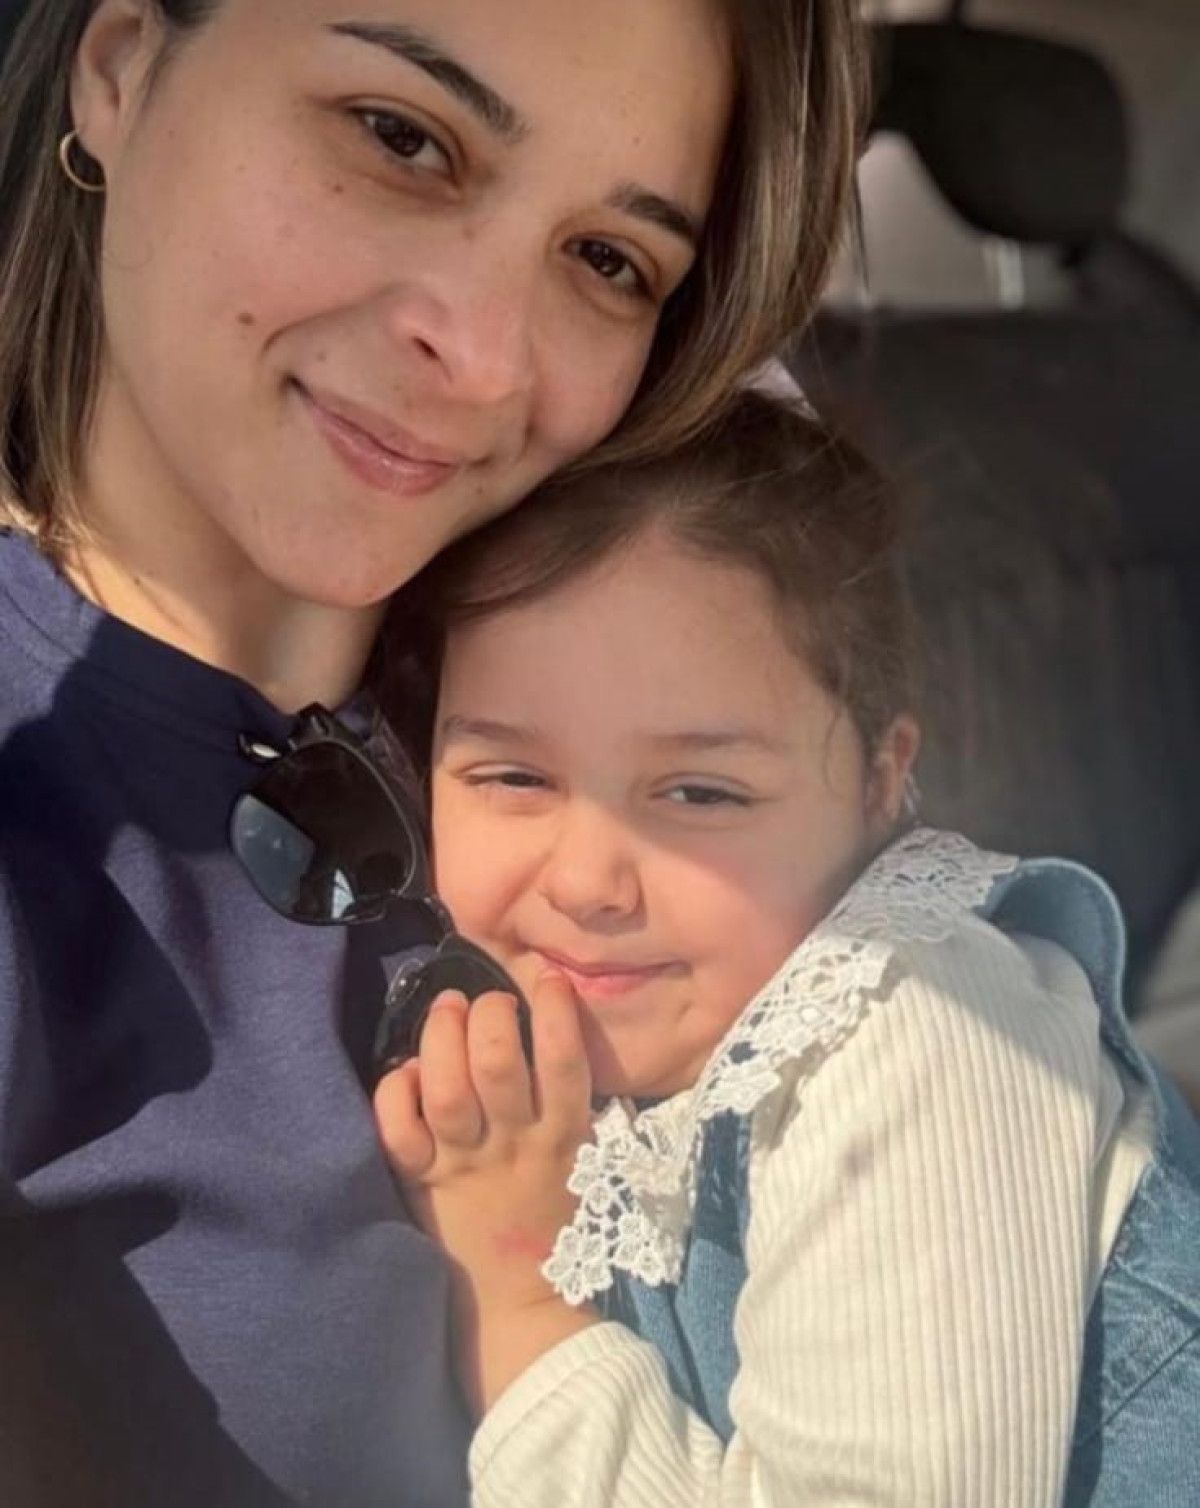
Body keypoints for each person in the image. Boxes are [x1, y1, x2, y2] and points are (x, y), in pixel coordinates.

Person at [0, 1, 870, 1503]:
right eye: (402, 137)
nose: (479, 357)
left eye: (609, 261)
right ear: (120, 61)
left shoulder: (695, 685)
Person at [377, 391, 1200, 1506]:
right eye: (514, 776)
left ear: (880, 779)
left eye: (700, 792)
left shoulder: (924, 1029)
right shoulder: (573, 1055)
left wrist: (519, 1298)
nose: (585, 883)